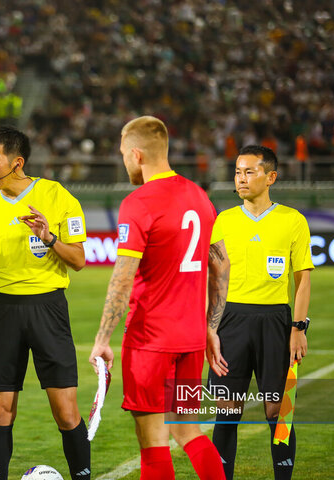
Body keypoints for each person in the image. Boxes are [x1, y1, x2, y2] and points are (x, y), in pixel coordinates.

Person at [0, 126, 91, 480]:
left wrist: (49, 237)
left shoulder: (56, 196)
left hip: (47, 309)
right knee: (0, 410)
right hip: (2, 311)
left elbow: (79, 259)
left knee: (66, 411)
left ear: (17, 162)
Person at [88, 116, 229, 480]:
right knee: (188, 431)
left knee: (153, 443)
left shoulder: (139, 202)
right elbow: (222, 266)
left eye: (122, 154)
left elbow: (122, 278)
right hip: (191, 339)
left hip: (151, 339)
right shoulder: (199, 195)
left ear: (137, 154)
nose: (123, 161)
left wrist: (103, 339)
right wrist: (211, 328)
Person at [207, 145, 313, 480]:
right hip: (230, 323)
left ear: (271, 177)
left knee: (277, 412)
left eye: (249, 171)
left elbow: (302, 280)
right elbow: (213, 279)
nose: (241, 178)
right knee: (226, 412)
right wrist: (209, 328)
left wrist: (298, 328)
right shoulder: (222, 220)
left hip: (275, 324)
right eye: (237, 172)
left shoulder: (293, 220)